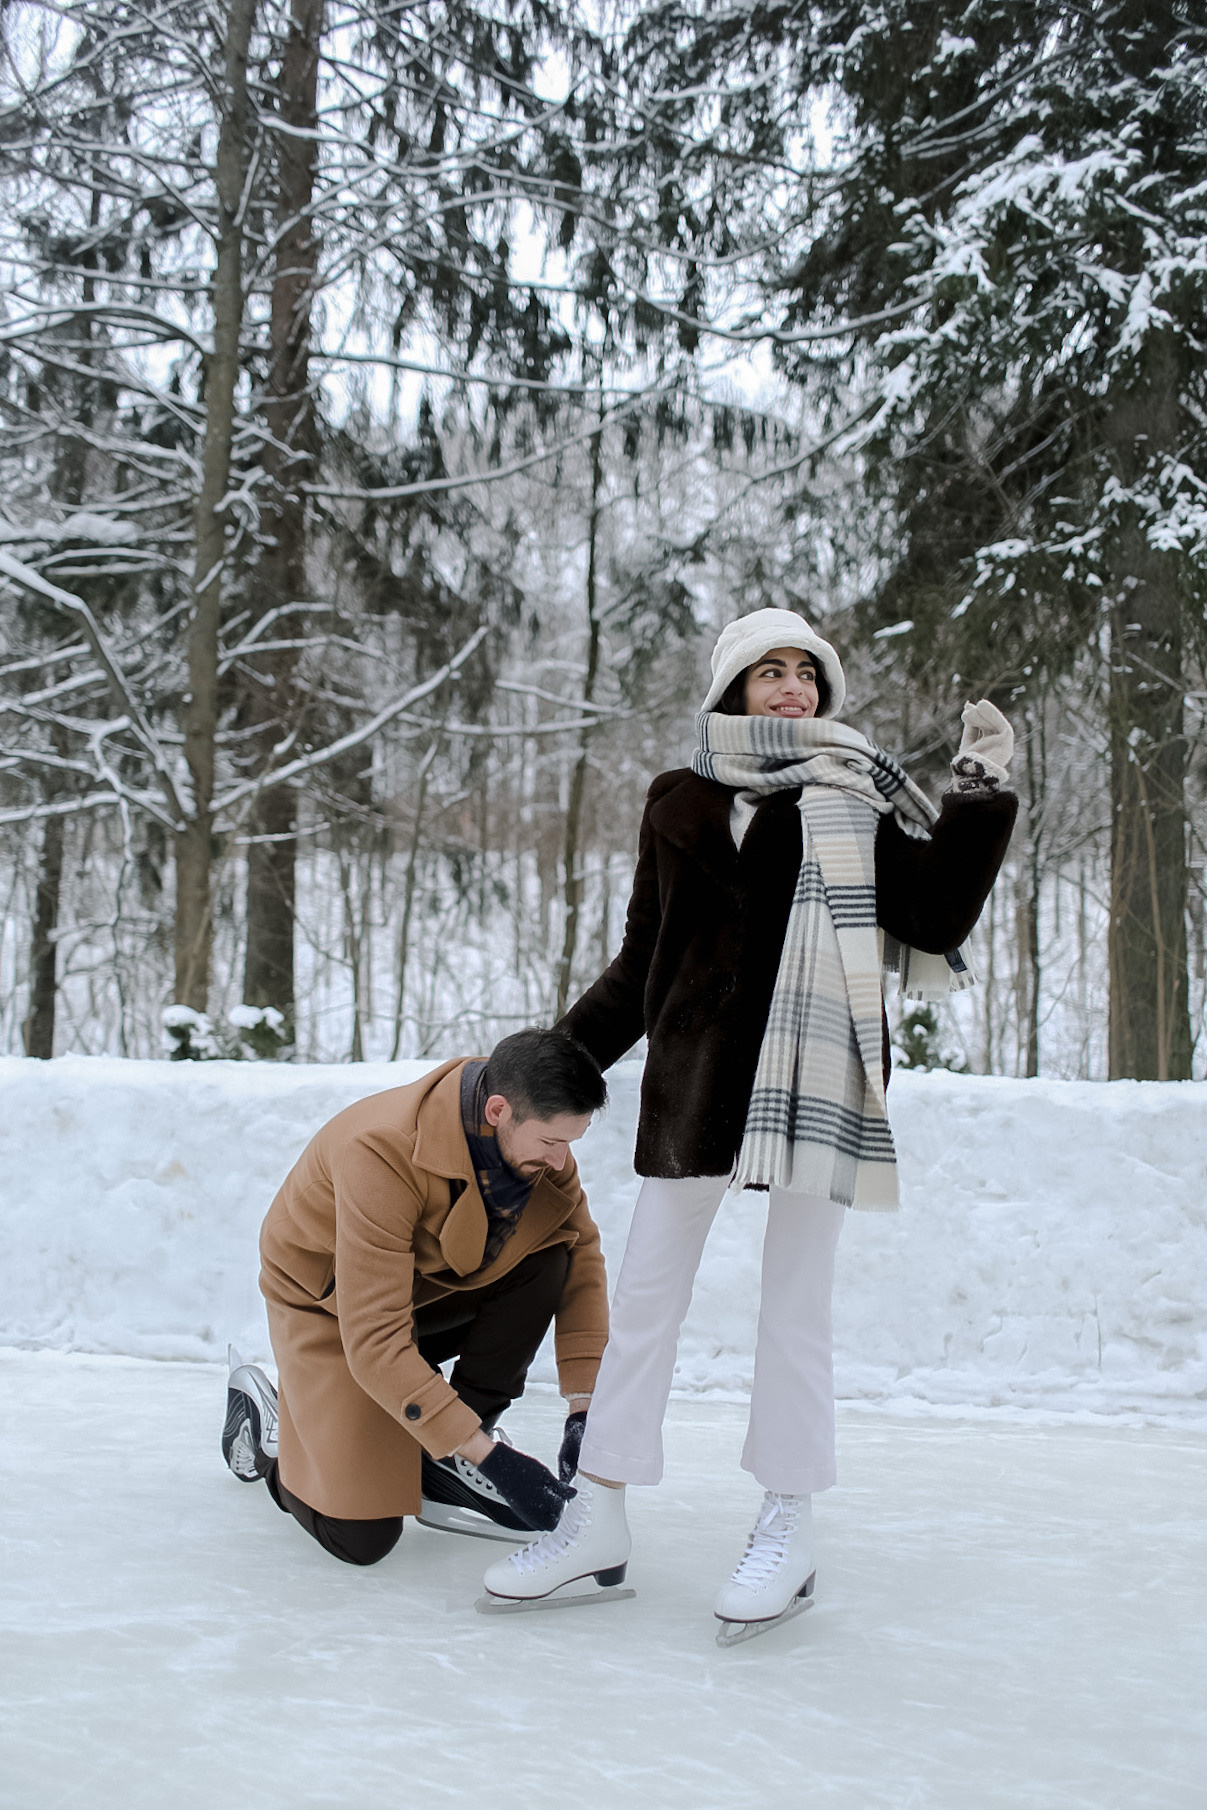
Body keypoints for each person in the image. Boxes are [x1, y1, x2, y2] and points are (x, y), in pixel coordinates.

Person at [481, 607, 1018, 1636]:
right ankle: (597, 1511)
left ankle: (787, 1523)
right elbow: (643, 960)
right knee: (643, 1303)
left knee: (793, 1310)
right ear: (732, 689)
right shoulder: (677, 801)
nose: (793, 690)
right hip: (693, 1081)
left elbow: (935, 918)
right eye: (769, 672)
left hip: (815, 1079)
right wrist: (547, 1064)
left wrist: (978, 796)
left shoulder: (850, 793)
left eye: (807, 674)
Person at [221, 1028, 609, 1566]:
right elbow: (375, 1338)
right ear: (499, 1110)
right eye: (551, 1142)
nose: (563, 1162)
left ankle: (449, 1446)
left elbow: (581, 1252)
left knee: (549, 1259)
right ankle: (270, 1431)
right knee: (361, 1539)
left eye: (572, 1143)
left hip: (424, 1288)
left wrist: (583, 1410)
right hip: (330, 1308)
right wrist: (495, 1462)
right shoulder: (382, 1150)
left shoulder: (534, 1138)